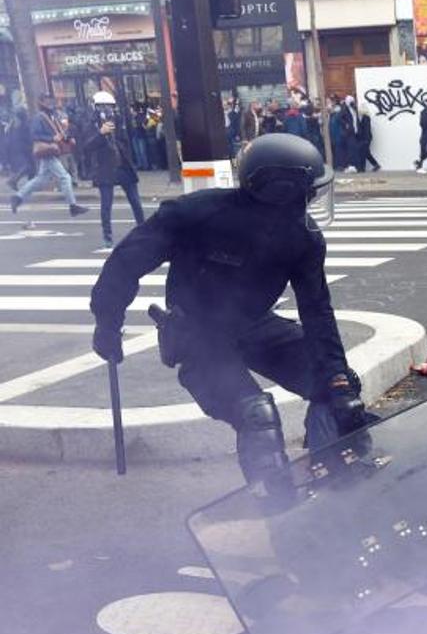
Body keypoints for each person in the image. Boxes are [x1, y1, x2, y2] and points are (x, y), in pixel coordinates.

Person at [89, 133, 370, 494]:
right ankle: (276, 500)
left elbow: (317, 311)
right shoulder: (194, 215)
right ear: (288, 190)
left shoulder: (303, 240)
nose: (313, 196)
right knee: (257, 415)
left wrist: (337, 381)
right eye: (309, 189)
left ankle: (334, 476)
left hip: (254, 325)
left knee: (340, 388)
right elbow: (126, 262)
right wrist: (107, 323)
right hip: (198, 336)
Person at [78, 91, 146, 249]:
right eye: (103, 107)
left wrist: (123, 148)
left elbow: (125, 138)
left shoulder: (119, 119)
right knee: (106, 204)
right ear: (95, 108)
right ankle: (107, 236)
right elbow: (86, 146)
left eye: (110, 107)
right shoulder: (91, 123)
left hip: (122, 164)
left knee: (135, 201)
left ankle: (143, 230)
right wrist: (101, 134)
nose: (107, 110)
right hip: (104, 167)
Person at [11, 93, 87, 217]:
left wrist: (68, 139)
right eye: (47, 101)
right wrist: (52, 138)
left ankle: (18, 197)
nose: (51, 103)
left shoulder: (50, 116)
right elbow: (35, 135)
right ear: (41, 102)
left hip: (50, 150)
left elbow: (59, 133)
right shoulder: (39, 117)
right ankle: (73, 206)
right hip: (48, 151)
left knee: (41, 179)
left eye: (51, 101)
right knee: (65, 177)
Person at [3, 108, 33, 191]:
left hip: (20, 150)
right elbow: (27, 138)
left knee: (31, 168)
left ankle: (29, 186)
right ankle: (14, 181)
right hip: (24, 150)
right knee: (29, 167)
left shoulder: (14, 125)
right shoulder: (23, 125)